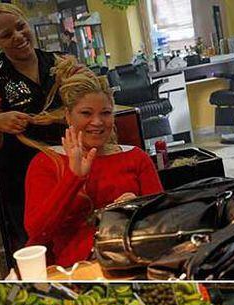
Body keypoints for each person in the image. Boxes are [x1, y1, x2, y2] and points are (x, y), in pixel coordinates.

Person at [24, 58, 163, 268]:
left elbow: (163, 221)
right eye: (86, 113)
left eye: (105, 113)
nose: (97, 122)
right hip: (76, 270)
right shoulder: (47, 162)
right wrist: (74, 177)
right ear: (68, 116)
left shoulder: (136, 158)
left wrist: (136, 209)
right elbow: (37, 232)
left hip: (134, 262)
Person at [0, 3, 66, 250]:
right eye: (6, 35)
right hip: (23, 184)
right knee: (40, 245)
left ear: (28, 24)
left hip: (70, 171)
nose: (18, 36)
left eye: (20, 27)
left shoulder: (60, 64)